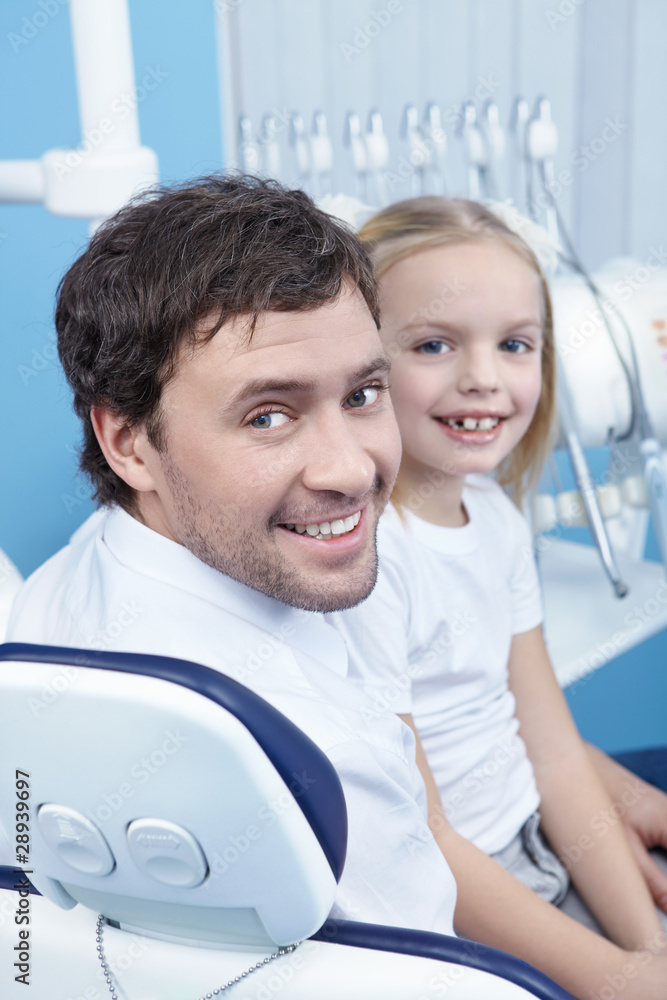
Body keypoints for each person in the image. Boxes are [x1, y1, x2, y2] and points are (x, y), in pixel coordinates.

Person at [5, 175, 458, 936]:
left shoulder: (92, 566)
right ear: (128, 442)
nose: (348, 469)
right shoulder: (318, 762)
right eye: (268, 416)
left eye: (362, 395)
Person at [328, 196, 667, 998]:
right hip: (455, 898)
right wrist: (614, 976)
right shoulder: (362, 559)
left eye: (514, 344)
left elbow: (548, 745)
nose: (481, 378)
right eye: (434, 344)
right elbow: (420, 837)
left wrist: (644, 946)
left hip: (539, 833)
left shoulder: (497, 520)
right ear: (360, 371)